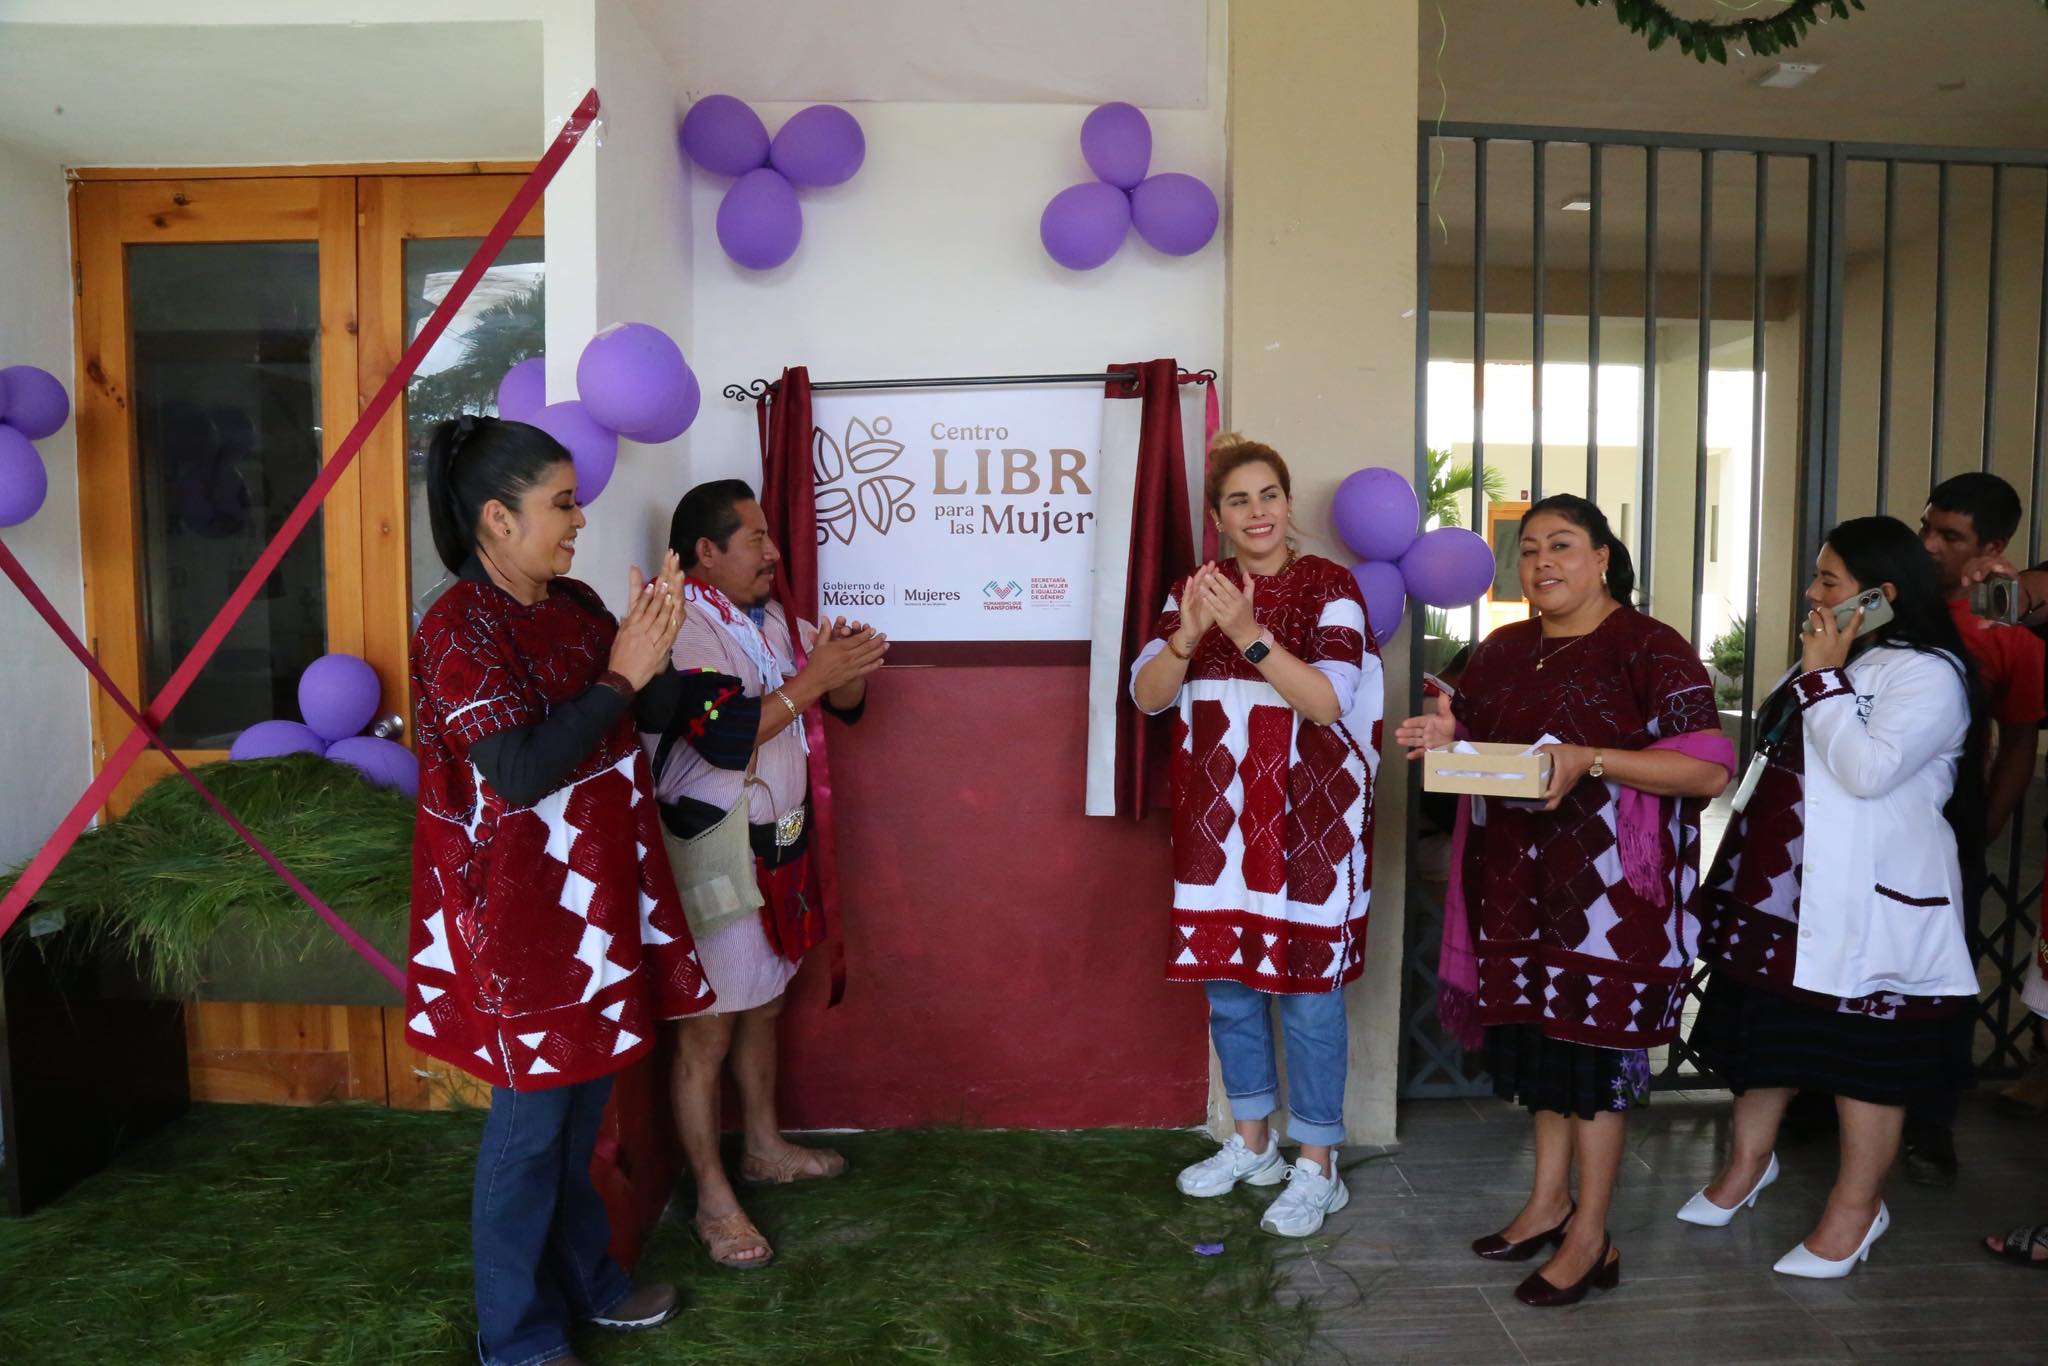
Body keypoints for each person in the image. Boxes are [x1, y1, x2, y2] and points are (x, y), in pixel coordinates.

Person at [404, 415, 717, 1366]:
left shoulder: (575, 604)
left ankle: (594, 1286)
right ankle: (518, 1338)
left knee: (581, 1111)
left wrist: (655, 641)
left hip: (593, 906)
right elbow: (520, 769)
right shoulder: (456, 628)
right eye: (562, 503)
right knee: (532, 1123)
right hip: (515, 920)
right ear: (498, 519)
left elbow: (646, 709)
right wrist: (622, 673)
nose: (580, 519)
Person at [1393, 494, 1732, 1308]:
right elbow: (1477, 744)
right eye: (1531, 548)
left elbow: (1710, 768)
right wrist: (1446, 737)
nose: (1543, 562)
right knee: (1545, 1061)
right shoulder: (1504, 648)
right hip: (1515, 893)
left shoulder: (1650, 648)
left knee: (1593, 1065)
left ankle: (1592, 1236)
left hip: (1612, 908)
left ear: (1603, 557)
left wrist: (1596, 760)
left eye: (1564, 545)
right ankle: (1546, 1206)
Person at [1683, 516, 1983, 1281]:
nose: (1812, 594)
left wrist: (1822, 674)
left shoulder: (1928, 673)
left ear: (1879, 596)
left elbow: (1868, 770)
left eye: (1828, 581)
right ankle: (1748, 1167)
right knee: (1766, 1037)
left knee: (1862, 1060)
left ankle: (1858, 1208)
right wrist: (1820, 671)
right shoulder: (1841, 657)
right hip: (1782, 890)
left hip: (1865, 904)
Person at [1129, 435, 1382, 1239]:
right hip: (1221, 832)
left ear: (1287, 502)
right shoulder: (1192, 591)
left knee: (1310, 1001)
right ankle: (1253, 1145)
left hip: (1311, 827)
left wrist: (1245, 632)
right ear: (1218, 517)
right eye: (1239, 500)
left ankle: (1318, 1164)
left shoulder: (1331, 588)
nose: (1257, 511)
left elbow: (1326, 703)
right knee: (1230, 989)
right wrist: (1185, 633)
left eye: (1268, 494)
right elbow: (1148, 697)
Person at [644, 479, 886, 1271]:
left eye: (769, 537)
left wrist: (843, 665)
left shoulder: (772, 615)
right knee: (708, 1025)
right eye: (754, 539)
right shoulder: (679, 626)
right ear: (706, 553)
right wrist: (815, 678)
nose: (772, 552)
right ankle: (713, 1197)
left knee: (766, 1002)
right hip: (713, 845)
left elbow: (841, 705)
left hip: (776, 843)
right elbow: (725, 736)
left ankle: (764, 1148)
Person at [1902, 473, 2046, 1184]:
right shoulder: (1891, 603)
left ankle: (1931, 1125)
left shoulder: (2013, 636)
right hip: (1869, 818)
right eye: (1926, 527)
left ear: (1993, 548)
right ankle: (1821, 1098)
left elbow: (2020, 742)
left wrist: (1985, 828)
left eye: (1950, 537)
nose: (1930, 545)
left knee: (1943, 981)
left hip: (1949, 826)